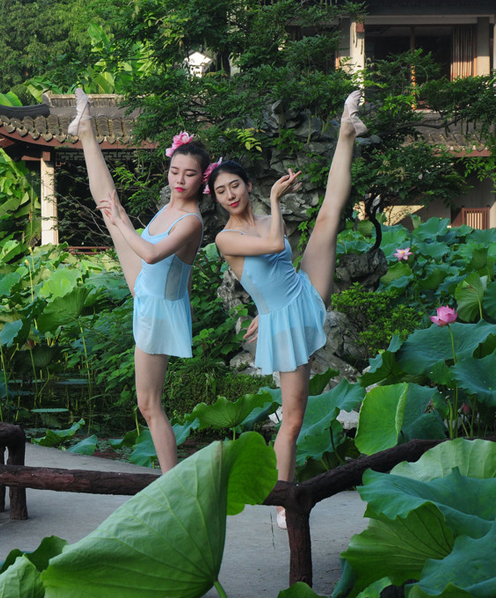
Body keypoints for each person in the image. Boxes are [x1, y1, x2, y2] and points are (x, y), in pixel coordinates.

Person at [208, 91, 366, 527]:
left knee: (329, 216)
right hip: (283, 323)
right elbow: (275, 245)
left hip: (304, 289)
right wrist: (276, 202)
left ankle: (345, 129)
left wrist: (270, 211)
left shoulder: (259, 220)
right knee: (293, 418)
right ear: (216, 198)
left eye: (234, 185)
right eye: (220, 191)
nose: (229, 194)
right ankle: (282, 501)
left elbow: (277, 260)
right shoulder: (225, 238)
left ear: (247, 185)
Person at [69, 89, 212, 472]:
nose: (180, 179)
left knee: (149, 405)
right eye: (175, 171)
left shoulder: (191, 221)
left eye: (190, 174)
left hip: (157, 308)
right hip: (149, 288)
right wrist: (116, 218)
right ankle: (86, 130)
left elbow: (150, 254)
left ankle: (172, 482)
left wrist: (120, 223)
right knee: (109, 204)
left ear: (203, 180)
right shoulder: (170, 206)